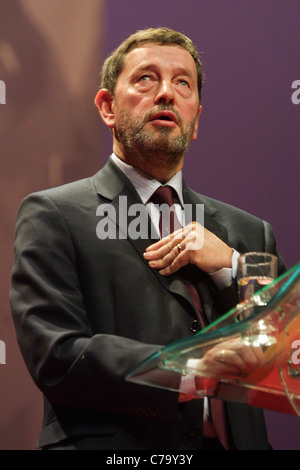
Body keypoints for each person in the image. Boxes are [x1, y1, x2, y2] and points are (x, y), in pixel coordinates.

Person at [10, 27, 285, 450]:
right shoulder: (55, 215)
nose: (166, 94)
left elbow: (286, 353)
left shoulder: (247, 233)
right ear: (107, 107)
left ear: (195, 120)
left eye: (183, 83)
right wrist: (188, 370)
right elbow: (57, 353)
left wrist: (230, 266)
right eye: (145, 78)